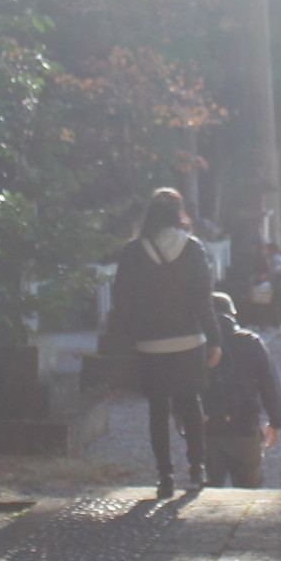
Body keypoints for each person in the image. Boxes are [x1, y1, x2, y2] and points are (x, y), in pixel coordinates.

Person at [104, 188, 223, 499]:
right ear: (178, 213)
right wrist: (215, 339)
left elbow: (122, 301)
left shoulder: (133, 251)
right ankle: (197, 469)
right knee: (191, 404)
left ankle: (165, 476)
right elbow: (203, 300)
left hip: (151, 343)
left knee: (157, 410)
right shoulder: (193, 248)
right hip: (189, 340)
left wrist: (128, 339)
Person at [201, 292, 281, 487]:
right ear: (233, 314)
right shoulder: (250, 341)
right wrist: (276, 421)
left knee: (209, 494)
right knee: (249, 491)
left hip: (207, 427)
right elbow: (269, 383)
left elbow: (184, 385)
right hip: (245, 425)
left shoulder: (199, 343)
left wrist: (184, 422)